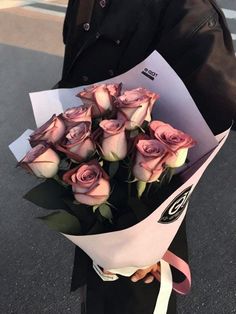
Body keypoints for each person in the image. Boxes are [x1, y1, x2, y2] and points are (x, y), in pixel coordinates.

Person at [59, 1, 236, 313]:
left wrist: (154, 235)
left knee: (134, 301)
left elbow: (217, 108)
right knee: (99, 297)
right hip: (92, 192)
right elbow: (75, 73)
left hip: (148, 209)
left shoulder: (188, 8)